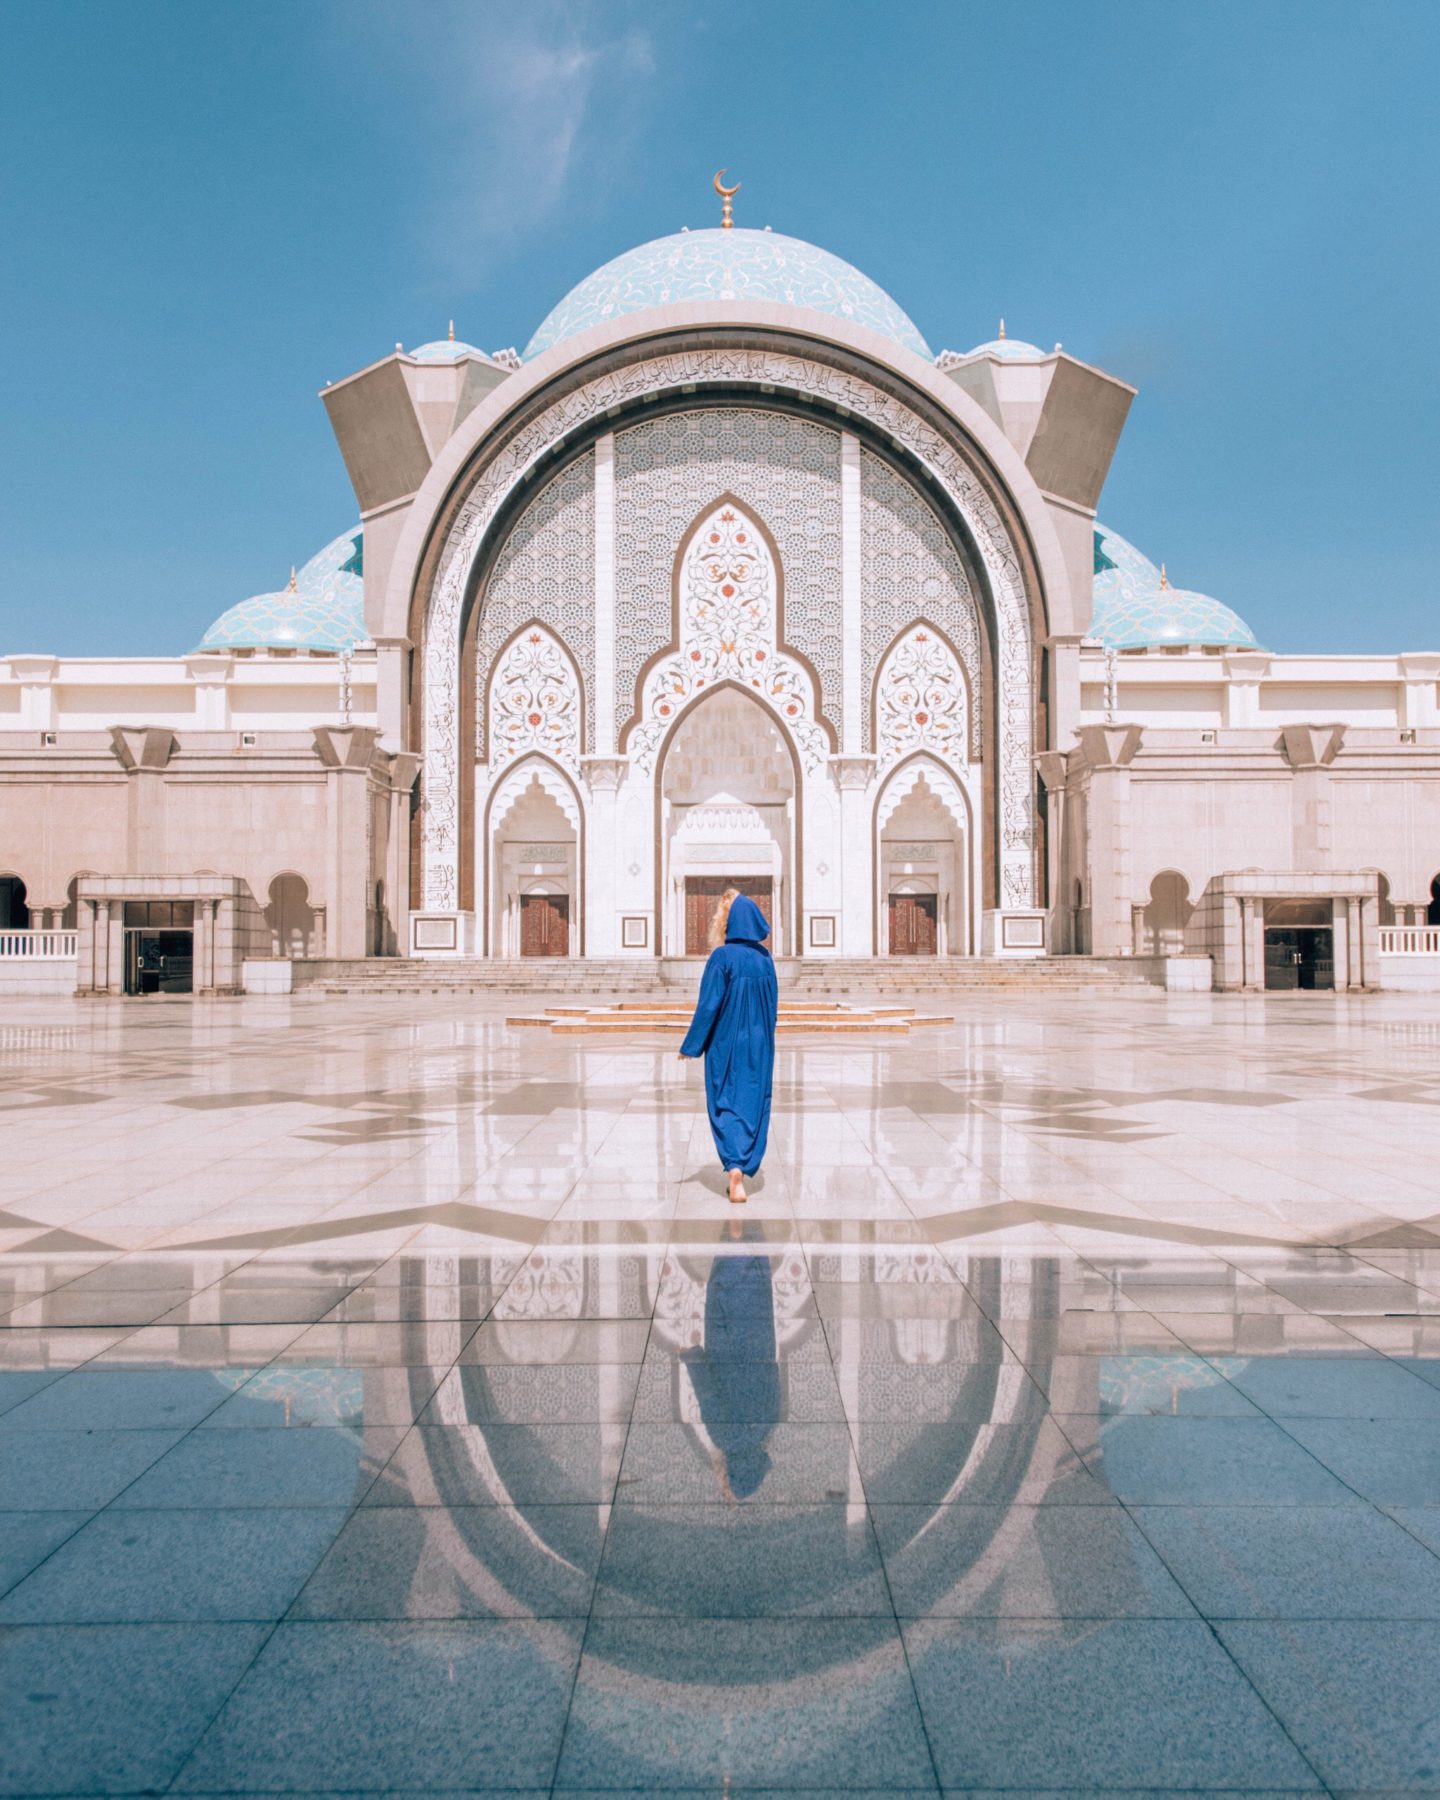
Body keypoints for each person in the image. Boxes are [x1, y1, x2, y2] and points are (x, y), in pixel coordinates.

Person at [678, 888, 778, 1204]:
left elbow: (709, 1005)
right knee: (753, 1100)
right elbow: (773, 1006)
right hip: (760, 1044)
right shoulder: (765, 960)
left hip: (726, 1042)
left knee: (725, 1100)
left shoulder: (722, 957)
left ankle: (734, 1167)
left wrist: (691, 1045)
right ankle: (745, 1163)